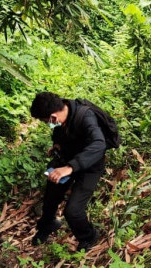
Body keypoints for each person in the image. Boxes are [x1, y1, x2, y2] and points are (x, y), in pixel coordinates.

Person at [31, 92, 105, 251]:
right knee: (50, 196)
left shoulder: (86, 117)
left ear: (53, 115)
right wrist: (57, 145)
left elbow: (99, 144)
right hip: (67, 159)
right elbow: (59, 132)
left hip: (89, 166)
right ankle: (48, 224)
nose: (47, 124)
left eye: (46, 121)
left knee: (73, 211)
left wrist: (70, 168)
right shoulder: (59, 115)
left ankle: (89, 236)